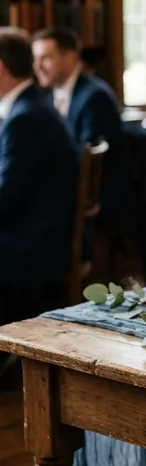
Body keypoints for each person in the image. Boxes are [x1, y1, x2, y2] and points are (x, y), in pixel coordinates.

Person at [0, 29, 78, 324]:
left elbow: (5, 201)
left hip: (35, 243)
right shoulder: (31, 105)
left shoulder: (24, 118)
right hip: (37, 229)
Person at [32, 27, 127, 228]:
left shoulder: (95, 96)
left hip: (95, 196)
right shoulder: (47, 96)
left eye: (46, 58)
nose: (37, 67)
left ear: (69, 57)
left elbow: (85, 161)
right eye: (35, 59)